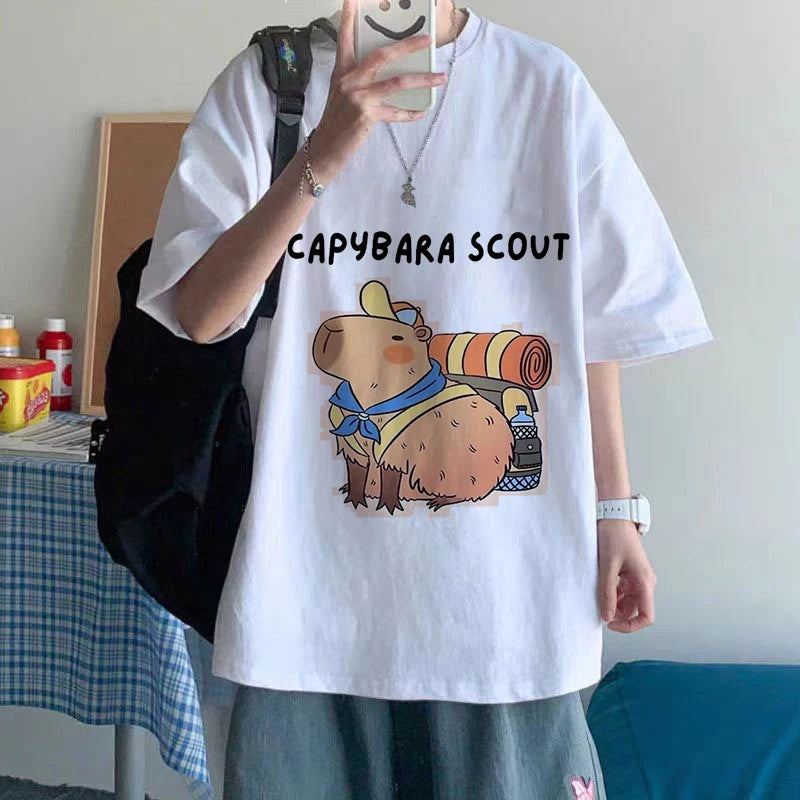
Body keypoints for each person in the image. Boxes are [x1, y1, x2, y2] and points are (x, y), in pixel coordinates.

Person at [136, 0, 714, 797]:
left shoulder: (545, 89)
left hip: (504, 603)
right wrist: (325, 152)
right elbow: (199, 314)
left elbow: (596, 327)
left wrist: (616, 513)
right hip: (307, 603)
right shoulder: (271, 86)